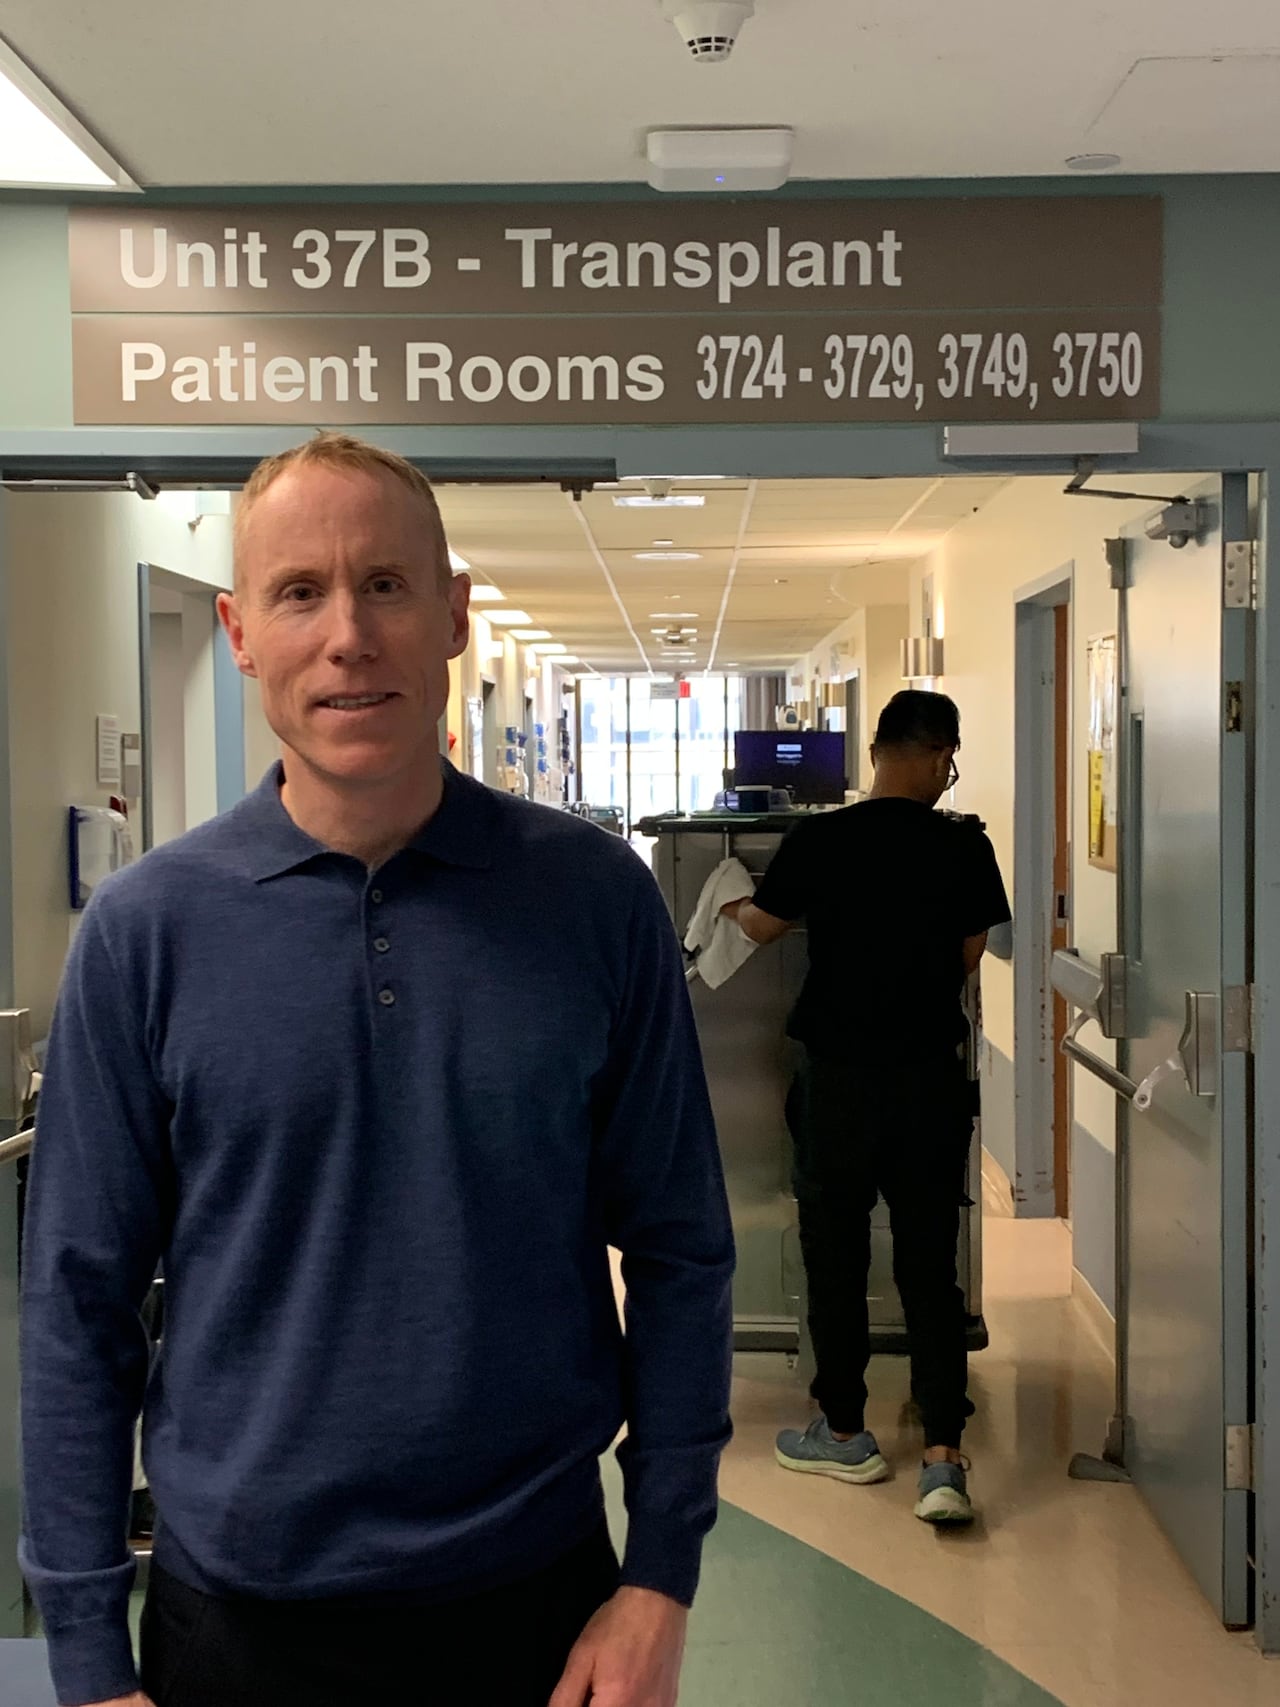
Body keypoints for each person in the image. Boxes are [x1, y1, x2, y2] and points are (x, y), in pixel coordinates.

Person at [19, 433, 735, 1707]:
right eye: (300, 592)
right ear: (240, 634)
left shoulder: (592, 905)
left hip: (541, 1609)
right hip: (235, 1623)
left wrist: (659, 1577)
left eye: (387, 586)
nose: (347, 634)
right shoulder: (146, 933)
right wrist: (84, 1653)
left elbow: (681, 1249)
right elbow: (79, 1306)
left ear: (454, 617)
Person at [721, 690, 1010, 1525]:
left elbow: (766, 927)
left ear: (878, 748)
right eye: (947, 761)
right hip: (926, 1078)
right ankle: (944, 1457)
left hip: (840, 1083)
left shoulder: (822, 837)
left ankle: (844, 1431)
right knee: (930, 1263)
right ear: (934, 753)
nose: (946, 776)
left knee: (837, 1258)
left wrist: (735, 900)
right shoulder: (963, 845)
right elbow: (967, 951)